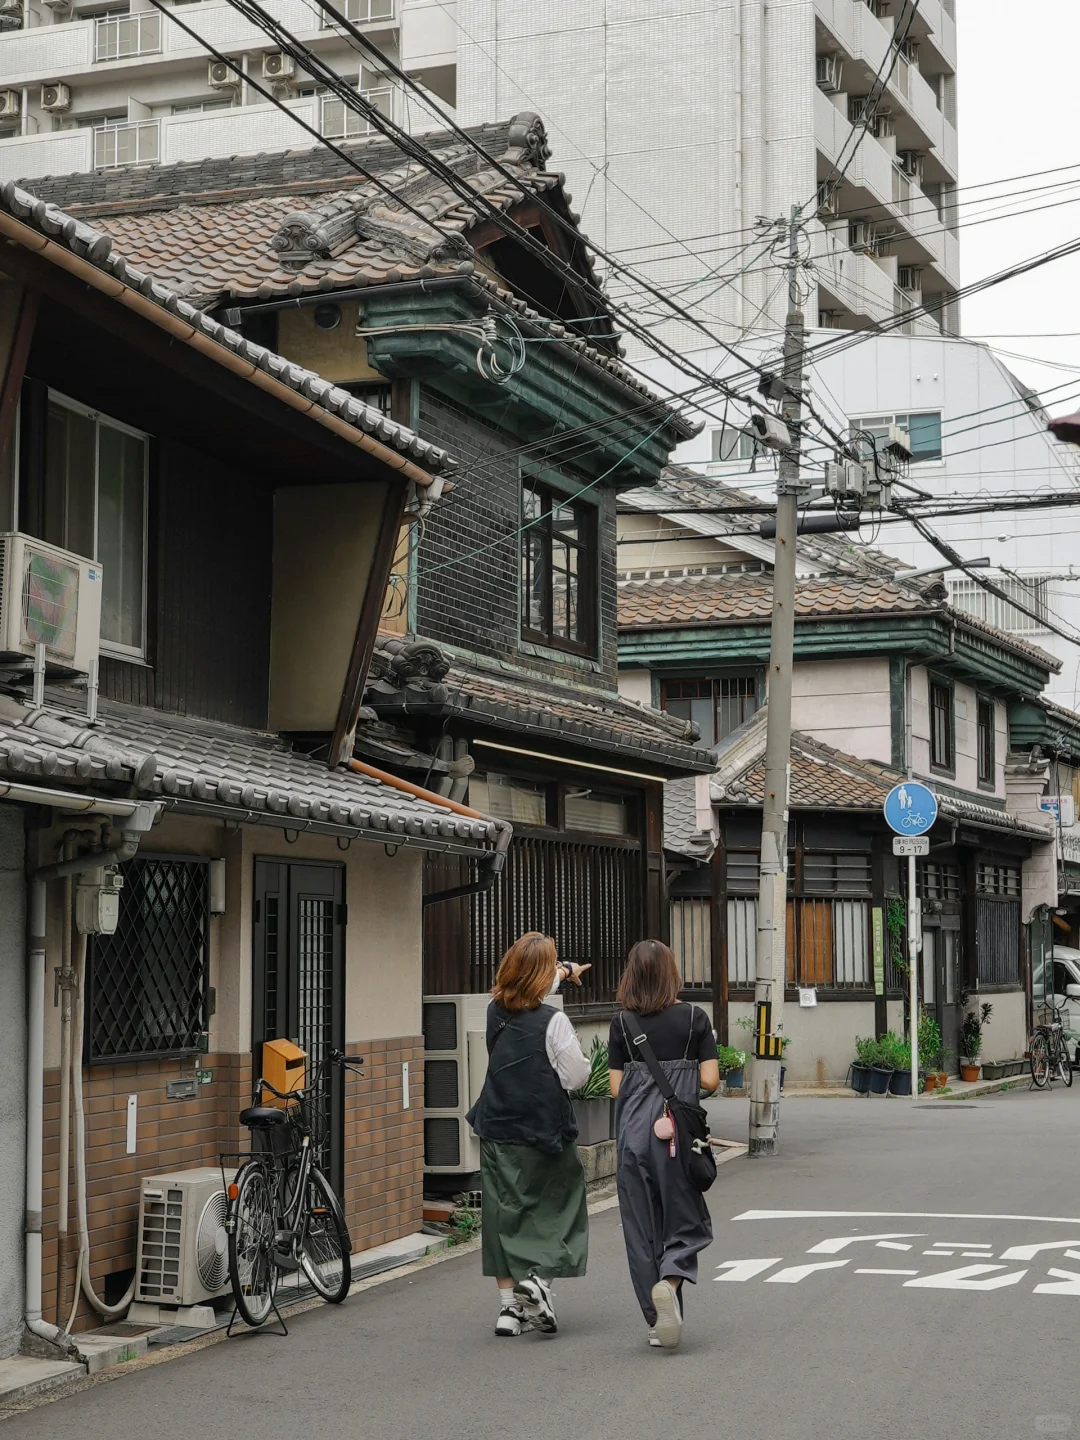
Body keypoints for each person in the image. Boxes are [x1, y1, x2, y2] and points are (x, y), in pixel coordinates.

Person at [466, 932, 593, 1338]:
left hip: (497, 1125)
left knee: (504, 1212)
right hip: (543, 1131)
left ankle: (508, 1311)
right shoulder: (553, 1021)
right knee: (560, 1207)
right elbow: (576, 1076)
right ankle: (537, 1284)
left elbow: (534, 985)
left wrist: (564, 970)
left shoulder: (492, 1010)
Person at [608, 939, 720, 1351]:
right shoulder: (695, 1019)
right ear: (672, 973)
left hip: (633, 1139)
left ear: (631, 976)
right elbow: (709, 1080)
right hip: (677, 1140)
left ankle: (658, 1323)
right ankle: (670, 1282)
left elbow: (617, 1088)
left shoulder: (621, 1024)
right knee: (687, 1222)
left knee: (641, 1231)